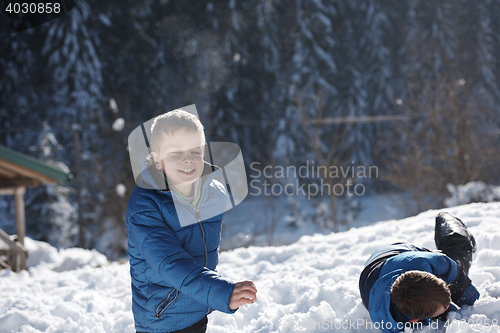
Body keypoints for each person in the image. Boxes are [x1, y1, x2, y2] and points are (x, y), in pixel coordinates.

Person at [126, 110, 257, 333]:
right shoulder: (145, 205)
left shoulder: (211, 192)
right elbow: (171, 264)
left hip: (197, 308)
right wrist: (220, 292)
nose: (188, 158)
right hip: (162, 319)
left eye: (195, 150)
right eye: (176, 151)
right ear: (157, 159)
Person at [359, 212, 479, 333]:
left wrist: (471, 299)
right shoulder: (387, 321)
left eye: (446, 288)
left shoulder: (423, 263)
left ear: (430, 276)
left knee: (458, 255)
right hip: (374, 272)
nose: (449, 302)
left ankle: (449, 222)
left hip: (399, 253)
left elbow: (453, 271)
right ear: (415, 320)